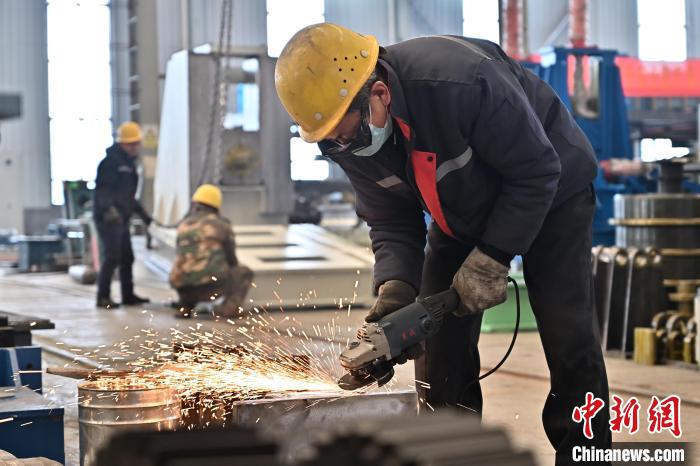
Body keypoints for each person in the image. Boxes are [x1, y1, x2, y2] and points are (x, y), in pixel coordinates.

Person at [275, 24, 610, 464]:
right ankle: (451, 454)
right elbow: (391, 218)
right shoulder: (349, 143)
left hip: (552, 192)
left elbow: (536, 172)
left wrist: (492, 257)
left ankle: (585, 453)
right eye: (330, 140)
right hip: (461, 211)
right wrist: (396, 289)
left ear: (379, 94)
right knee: (438, 347)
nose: (342, 145)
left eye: (345, 133)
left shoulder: (464, 82)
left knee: (568, 333)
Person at [169, 184, 253, 318]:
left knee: (188, 270)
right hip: (210, 286)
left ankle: (185, 307)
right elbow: (231, 259)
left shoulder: (184, 224)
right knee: (243, 272)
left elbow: (180, 253)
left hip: (182, 287)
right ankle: (229, 309)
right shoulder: (222, 224)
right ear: (216, 206)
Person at [93, 121, 152, 309]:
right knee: (112, 256)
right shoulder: (109, 164)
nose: (135, 147)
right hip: (109, 219)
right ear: (122, 143)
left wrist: (145, 217)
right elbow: (103, 191)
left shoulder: (129, 165)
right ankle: (103, 297)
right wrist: (110, 211)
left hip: (122, 219)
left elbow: (129, 197)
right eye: (131, 144)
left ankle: (128, 295)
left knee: (127, 257)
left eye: (136, 143)